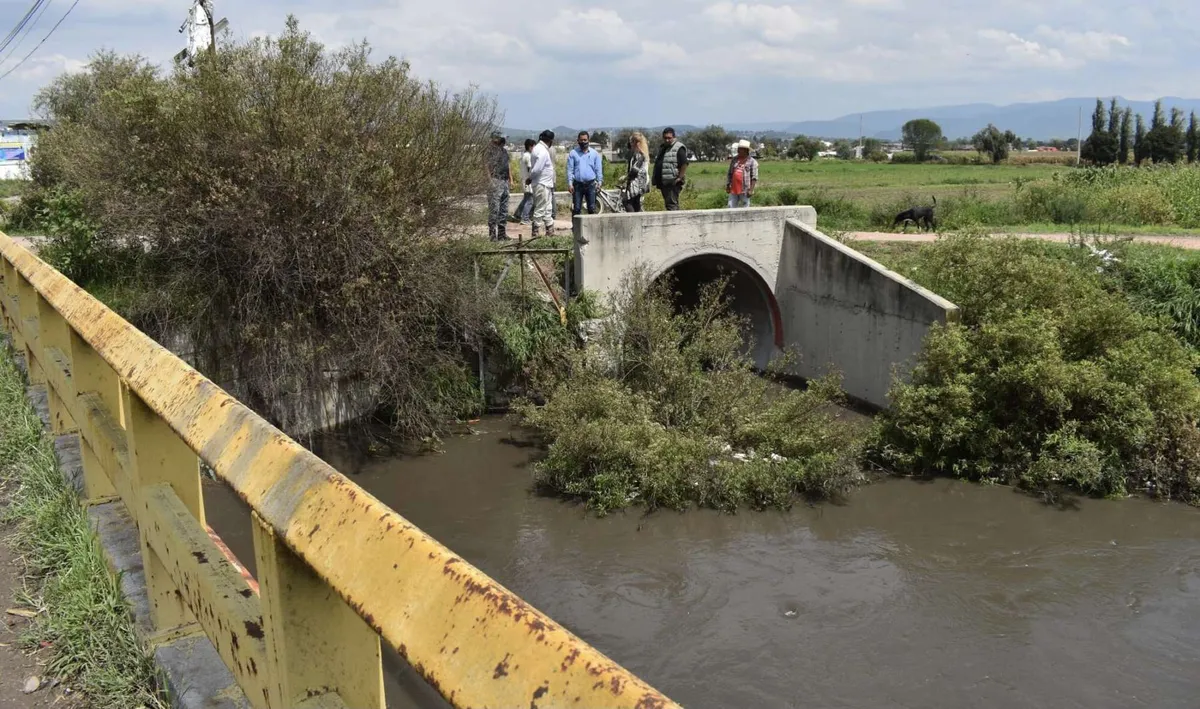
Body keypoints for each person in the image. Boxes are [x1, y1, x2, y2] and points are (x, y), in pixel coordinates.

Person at [567, 130, 603, 216]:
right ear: (578, 141)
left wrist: (599, 182)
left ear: (588, 140)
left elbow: (598, 169)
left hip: (591, 184)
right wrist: (570, 184)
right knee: (576, 209)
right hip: (577, 185)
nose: (583, 142)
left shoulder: (594, 154)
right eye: (581, 140)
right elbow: (570, 170)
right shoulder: (573, 153)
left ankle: (592, 229)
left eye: (585, 140)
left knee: (592, 208)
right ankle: (576, 228)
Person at [528, 130, 557, 237]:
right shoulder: (543, 151)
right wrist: (530, 178)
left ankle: (550, 230)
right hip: (542, 184)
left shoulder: (538, 148)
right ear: (550, 140)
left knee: (548, 208)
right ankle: (535, 232)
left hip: (545, 184)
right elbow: (537, 169)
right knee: (540, 208)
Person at [652, 127, 688, 211]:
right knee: (669, 205)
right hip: (664, 182)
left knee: (672, 205)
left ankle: (676, 223)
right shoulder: (663, 147)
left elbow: (684, 163)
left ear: (674, 137)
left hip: (672, 182)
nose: (667, 140)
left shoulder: (678, 147)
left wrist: (680, 177)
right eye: (665, 138)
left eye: (669, 138)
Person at [485, 131, 512, 240]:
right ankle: (492, 235)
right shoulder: (489, 151)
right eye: (501, 139)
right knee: (494, 209)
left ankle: (502, 234)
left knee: (504, 209)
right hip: (495, 180)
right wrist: (490, 180)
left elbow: (508, 165)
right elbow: (485, 166)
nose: (504, 141)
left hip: (504, 181)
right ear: (495, 139)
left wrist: (511, 179)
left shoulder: (504, 151)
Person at [620, 132, 650, 212]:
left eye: (631, 142)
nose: (630, 144)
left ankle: (633, 220)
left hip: (636, 183)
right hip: (641, 183)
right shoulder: (643, 154)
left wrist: (626, 178)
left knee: (627, 201)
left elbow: (634, 170)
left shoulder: (639, 155)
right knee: (636, 204)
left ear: (636, 143)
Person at [726, 139, 759, 208]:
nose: (738, 150)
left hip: (745, 190)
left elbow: (754, 177)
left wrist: (751, 190)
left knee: (745, 207)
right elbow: (730, 173)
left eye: (740, 149)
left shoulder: (752, 162)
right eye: (738, 149)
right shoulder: (734, 160)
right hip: (734, 189)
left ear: (746, 150)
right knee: (730, 206)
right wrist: (728, 185)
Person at [511, 138, 536, 224]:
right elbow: (530, 168)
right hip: (528, 181)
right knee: (530, 200)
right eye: (534, 147)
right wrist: (532, 177)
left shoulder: (523, 155)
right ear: (530, 147)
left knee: (526, 199)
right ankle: (525, 218)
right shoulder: (528, 156)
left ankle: (517, 214)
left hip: (524, 179)